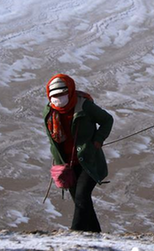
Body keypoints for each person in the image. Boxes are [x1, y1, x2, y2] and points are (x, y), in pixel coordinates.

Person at [43, 73, 114, 232]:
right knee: (81, 202)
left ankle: (75, 233)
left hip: (88, 160)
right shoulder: (49, 113)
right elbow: (52, 140)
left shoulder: (84, 106)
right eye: (54, 95)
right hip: (67, 165)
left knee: (82, 196)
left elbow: (107, 120)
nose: (58, 98)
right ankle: (95, 235)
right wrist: (58, 162)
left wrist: (97, 141)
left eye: (62, 94)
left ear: (70, 91)